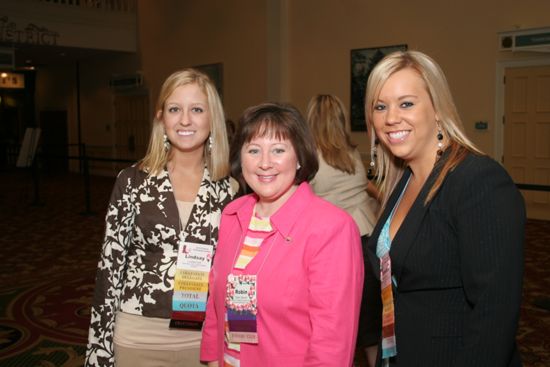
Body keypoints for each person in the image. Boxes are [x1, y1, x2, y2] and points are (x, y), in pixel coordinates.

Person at [364, 50, 525, 367]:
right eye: (380, 106)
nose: (391, 117)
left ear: (437, 109)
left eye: (406, 103)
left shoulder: (477, 180)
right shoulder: (405, 182)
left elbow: (494, 315)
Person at [85, 69, 237, 367]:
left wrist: (243, 340)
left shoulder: (229, 189)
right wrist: (99, 349)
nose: (184, 120)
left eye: (196, 109)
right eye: (174, 109)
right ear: (160, 117)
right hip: (138, 336)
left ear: (212, 118)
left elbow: (237, 272)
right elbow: (109, 267)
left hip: (203, 337)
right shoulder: (131, 181)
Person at [200, 102, 364, 366]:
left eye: (278, 150)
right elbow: (215, 304)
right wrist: (209, 359)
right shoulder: (233, 215)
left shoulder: (332, 228)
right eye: (253, 150)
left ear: (299, 157)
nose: (265, 163)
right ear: (240, 157)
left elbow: (331, 342)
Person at [305, 93, 381, 367]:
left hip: (337, 247)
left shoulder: (310, 160)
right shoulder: (350, 153)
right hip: (368, 240)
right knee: (371, 323)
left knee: (336, 322)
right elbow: (362, 186)